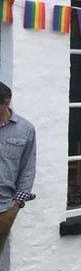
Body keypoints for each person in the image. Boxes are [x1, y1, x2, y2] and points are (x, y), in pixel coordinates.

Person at [0, 82, 35, 253]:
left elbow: (28, 168)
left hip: (5, 208)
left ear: (6, 103)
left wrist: (17, 204)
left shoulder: (25, 129)